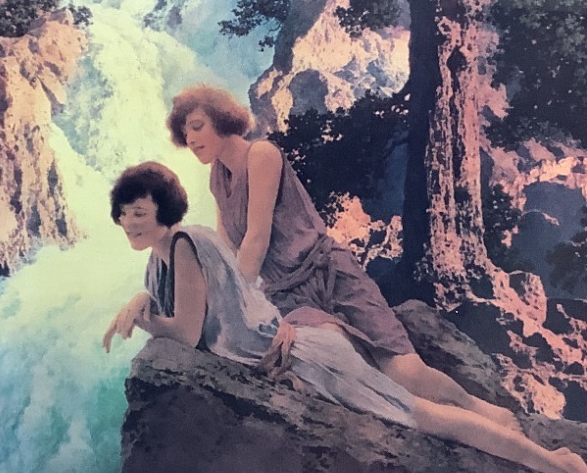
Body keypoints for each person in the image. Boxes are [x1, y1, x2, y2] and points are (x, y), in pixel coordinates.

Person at [101, 161, 587, 473]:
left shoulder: (186, 244)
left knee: (422, 417)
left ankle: (558, 465)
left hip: (311, 358)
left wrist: (142, 316)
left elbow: (186, 332)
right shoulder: (160, 260)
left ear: (165, 211)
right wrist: (141, 300)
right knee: (419, 412)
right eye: (123, 214)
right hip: (299, 349)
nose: (130, 223)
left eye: (140, 213)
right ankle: (546, 454)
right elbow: (189, 312)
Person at [167, 84, 525, 433]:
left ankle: (482, 411)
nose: (192, 139)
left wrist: (236, 302)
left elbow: (256, 239)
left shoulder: (261, 154)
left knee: (406, 373)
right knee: (350, 371)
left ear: (221, 119)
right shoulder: (217, 179)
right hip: (287, 297)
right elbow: (229, 249)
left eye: (197, 126)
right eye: (185, 133)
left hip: (331, 272)